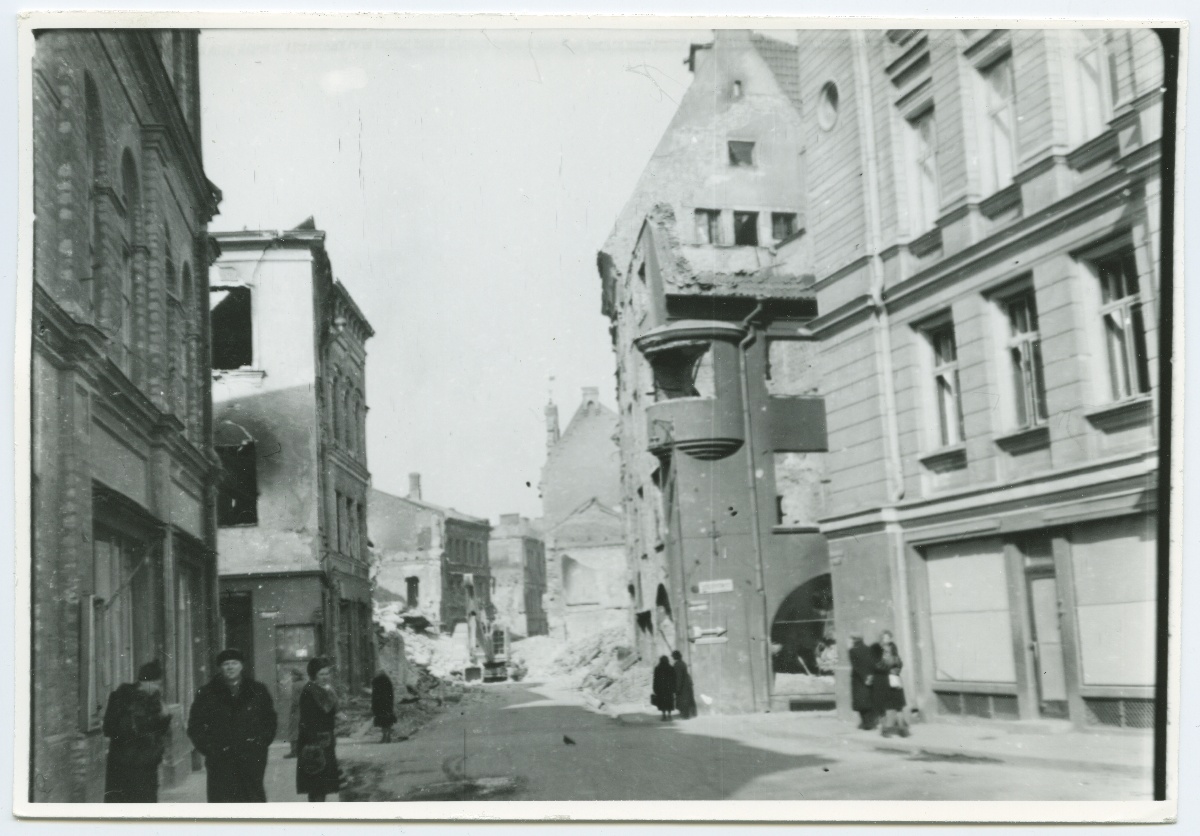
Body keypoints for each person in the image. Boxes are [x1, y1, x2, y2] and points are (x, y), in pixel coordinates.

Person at [187, 648, 278, 802]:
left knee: (252, 803)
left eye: (234, 663)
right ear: (220, 668)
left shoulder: (258, 690)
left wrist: (260, 743)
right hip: (220, 760)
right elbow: (195, 726)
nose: (230, 667)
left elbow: (270, 720)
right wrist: (210, 749)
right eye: (226, 664)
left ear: (241, 666)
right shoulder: (207, 693)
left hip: (251, 758)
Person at [102, 660, 171, 803]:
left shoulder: (155, 701)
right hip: (125, 766)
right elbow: (110, 729)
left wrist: (165, 717)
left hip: (147, 767)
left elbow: (160, 732)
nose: (159, 688)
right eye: (157, 684)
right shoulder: (121, 698)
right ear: (145, 682)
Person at [296, 657, 342, 802]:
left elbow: (332, 711)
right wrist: (312, 744)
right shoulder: (310, 691)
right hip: (313, 743)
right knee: (316, 785)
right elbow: (308, 720)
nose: (325, 677)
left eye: (327, 673)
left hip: (326, 741)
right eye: (322, 674)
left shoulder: (325, 690)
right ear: (314, 675)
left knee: (322, 786)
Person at [871, 630, 910, 738]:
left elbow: (899, 662)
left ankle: (902, 729)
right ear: (881, 638)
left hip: (893, 679)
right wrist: (889, 667)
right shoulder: (876, 649)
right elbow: (876, 665)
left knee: (899, 705)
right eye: (885, 637)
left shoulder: (894, 648)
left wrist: (896, 669)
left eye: (889, 637)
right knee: (882, 706)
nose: (887, 640)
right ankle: (884, 729)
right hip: (882, 681)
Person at [847, 631, 877, 731]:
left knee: (860, 702)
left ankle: (866, 723)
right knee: (869, 700)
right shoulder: (869, 649)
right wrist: (870, 677)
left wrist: (864, 678)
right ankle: (870, 722)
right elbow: (873, 664)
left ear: (855, 640)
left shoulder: (852, 651)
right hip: (870, 677)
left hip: (858, 679)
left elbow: (856, 667)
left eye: (852, 639)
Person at [284, 668, 305, 759]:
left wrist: (291, 711)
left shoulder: (295, 685)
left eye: (293, 675)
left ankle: (294, 751)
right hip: (304, 711)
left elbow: (295, 700)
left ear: (297, 676)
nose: (291, 677)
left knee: (293, 731)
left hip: (296, 711)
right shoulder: (305, 683)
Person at [371, 669, 397, 743]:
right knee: (388, 721)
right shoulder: (388, 681)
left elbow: (374, 694)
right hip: (387, 704)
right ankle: (388, 737)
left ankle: (384, 737)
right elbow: (391, 694)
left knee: (382, 721)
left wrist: (373, 705)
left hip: (379, 704)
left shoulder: (376, 681)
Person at [672, 650, 697, 719]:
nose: (672, 657)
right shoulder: (682, 663)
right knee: (686, 699)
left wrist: (677, 687)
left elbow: (678, 677)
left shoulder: (677, 664)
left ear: (676, 656)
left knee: (683, 700)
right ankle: (688, 714)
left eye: (673, 656)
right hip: (686, 684)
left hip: (683, 685)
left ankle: (685, 715)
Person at [651, 656, 676, 721]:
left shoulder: (657, 668)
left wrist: (654, 688)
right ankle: (669, 715)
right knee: (669, 702)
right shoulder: (671, 668)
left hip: (661, 689)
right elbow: (674, 679)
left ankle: (664, 715)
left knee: (662, 702)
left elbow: (655, 680)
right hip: (669, 689)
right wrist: (674, 688)